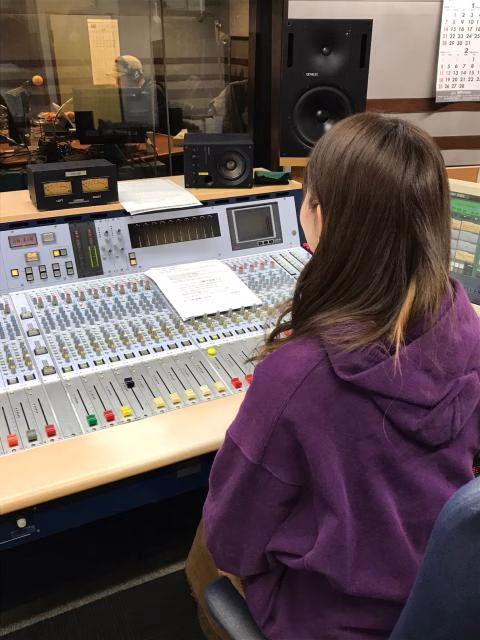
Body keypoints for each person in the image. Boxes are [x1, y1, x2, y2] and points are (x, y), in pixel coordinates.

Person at [196, 113, 480, 639]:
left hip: (330, 623)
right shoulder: (465, 323)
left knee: (202, 547)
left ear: (319, 216)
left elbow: (232, 542)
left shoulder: (298, 376)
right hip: (442, 602)